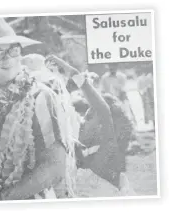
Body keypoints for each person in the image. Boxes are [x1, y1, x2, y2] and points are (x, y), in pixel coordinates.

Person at [0, 18, 78, 202]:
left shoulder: (39, 96)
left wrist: (0, 200)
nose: (7, 57)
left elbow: (55, 166)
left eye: (13, 50)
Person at [43, 55, 135, 195]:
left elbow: (81, 82)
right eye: (86, 113)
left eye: (90, 115)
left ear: (102, 125)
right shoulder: (90, 156)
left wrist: (61, 63)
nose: (83, 119)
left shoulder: (99, 153)